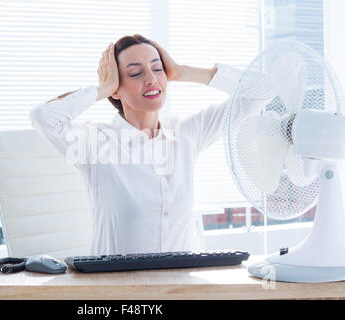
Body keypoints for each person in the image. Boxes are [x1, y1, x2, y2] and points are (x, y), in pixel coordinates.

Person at [29, 34, 245, 255]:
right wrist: (103, 89)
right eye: (135, 73)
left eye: (158, 68)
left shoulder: (186, 133)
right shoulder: (96, 143)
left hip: (180, 286)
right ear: (116, 88)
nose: (151, 79)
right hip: (117, 285)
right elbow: (42, 116)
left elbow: (262, 92)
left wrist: (182, 71)